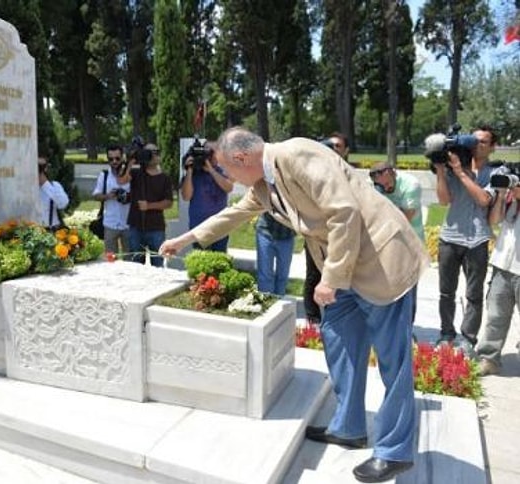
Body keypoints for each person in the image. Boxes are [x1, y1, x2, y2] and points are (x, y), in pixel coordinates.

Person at [159, 127, 428, 483]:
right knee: (338, 338)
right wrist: (187, 238)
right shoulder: (263, 184)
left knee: (393, 359)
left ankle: (394, 451)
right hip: (344, 263)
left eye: (227, 169)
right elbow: (236, 214)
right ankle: (348, 426)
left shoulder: (297, 154)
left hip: (380, 259)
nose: (229, 178)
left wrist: (330, 278)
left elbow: (343, 211)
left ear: (241, 158)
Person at [434, 125, 496, 352]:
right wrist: (442, 170)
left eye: (483, 142)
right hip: (450, 237)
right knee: (446, 292)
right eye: (474, 140)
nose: (476, 145)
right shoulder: (452, 168)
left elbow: (483, 200)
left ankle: (468, 339)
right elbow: (443, 201)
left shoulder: (494, 173)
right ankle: (446, 333)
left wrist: (461, 172)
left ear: (492, 147)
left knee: (473, 294)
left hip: (477, 240)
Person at [369, 161, 425, 324]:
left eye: (387, 183)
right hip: (384, 243)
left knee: (408, 290)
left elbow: (405, 217)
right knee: (383, 289)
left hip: (410, 242)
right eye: (381, 185)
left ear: (393, 173)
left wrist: (380, 204)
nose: (386, 188)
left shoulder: (411, 184)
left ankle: (407, 328)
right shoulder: (370, 186)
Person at [303, 132, 350, 325]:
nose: (334, 150)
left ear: (346, 151)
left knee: (339, 277)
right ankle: (313, 318)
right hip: (316, 234)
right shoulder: (313, 172)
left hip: (341, 235)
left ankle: (336, 317)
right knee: (314, 274)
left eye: (338, 147)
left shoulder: (349, 172)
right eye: (330, 147)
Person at [476, 176, 520, 376]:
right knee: (495, 316)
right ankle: (489, 359)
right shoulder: (512, 198)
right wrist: (503, 195)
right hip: (503, 264)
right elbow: (494, 220)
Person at [125, 143, 173, 267]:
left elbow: (168, 202)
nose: (152, 156)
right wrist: (132, 160)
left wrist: (149, 206)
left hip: (156, 227)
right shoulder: (136, 173)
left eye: (155, 152)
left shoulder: (164, 177)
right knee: (135, 264)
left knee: (158, 264)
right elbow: (122, 180)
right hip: (136, 226)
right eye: (148, 153)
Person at [180, 142, 234, 252]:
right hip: (199, 227)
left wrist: (211, 170)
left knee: (218, 263)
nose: (212, 156)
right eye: (209, 152)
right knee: (201, 264)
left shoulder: (222, 172)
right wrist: (189, 170)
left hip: (220, 226)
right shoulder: (194, 174)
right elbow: (186, 196)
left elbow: (228, 187)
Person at [92, 144, 131, 254]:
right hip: (110, 223)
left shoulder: (130, 174)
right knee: (110, 260)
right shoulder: (104, 175)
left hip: (128, 223)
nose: (114, 161)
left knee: (131, 260)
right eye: (111, 159)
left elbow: (138, 196)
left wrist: (126, 196)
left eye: (117, 158)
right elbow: (95, 195)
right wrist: (108, 196)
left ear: (122, 157)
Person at [255, 212, 295, 295]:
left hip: (287, 235)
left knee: (283, 274)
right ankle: (266, 301)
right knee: (265, 274)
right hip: (265, 231)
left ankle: (279, 300)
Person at [38, 157, 69, 230]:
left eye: (41, 166)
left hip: (50, 230)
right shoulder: (23, 188)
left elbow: (63, 204)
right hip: (26, 230)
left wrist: (45, 184)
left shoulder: (54, 186)